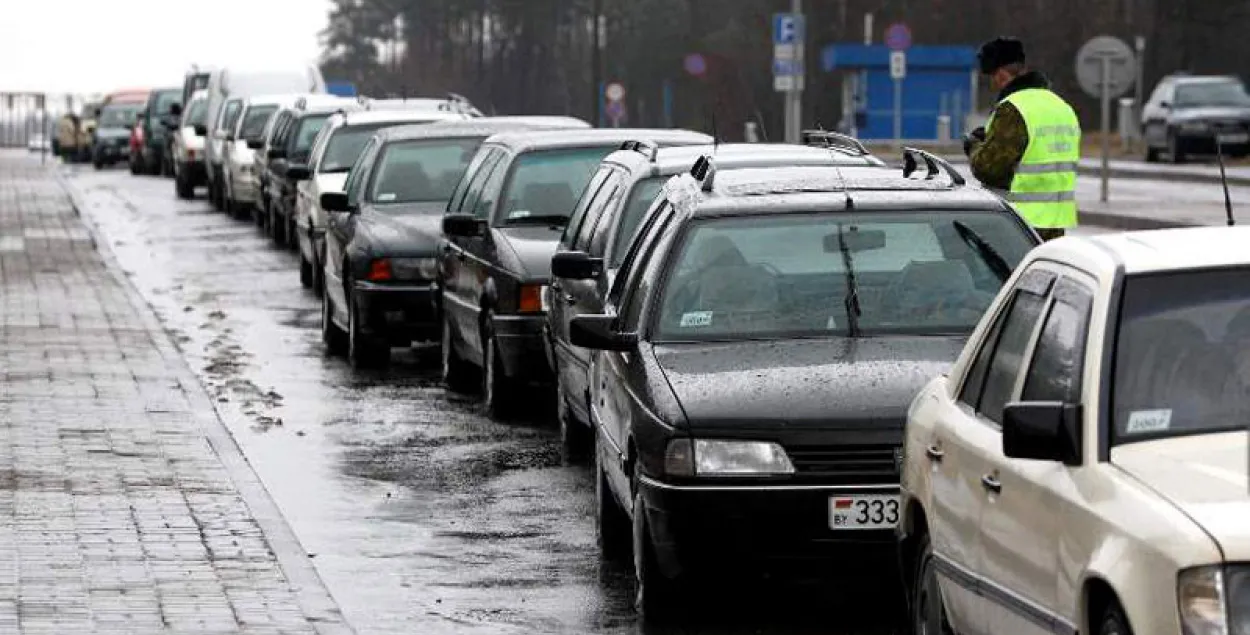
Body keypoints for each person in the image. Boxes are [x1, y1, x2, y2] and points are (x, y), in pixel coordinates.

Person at [965, 37, 1081, 241]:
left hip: (1019, 224)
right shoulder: (1061, 106)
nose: (993, 83)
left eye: (991, 76)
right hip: (1056, 223)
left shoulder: (1013, 109)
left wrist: (974, 146)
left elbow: (989, 168)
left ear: (1001, 75)